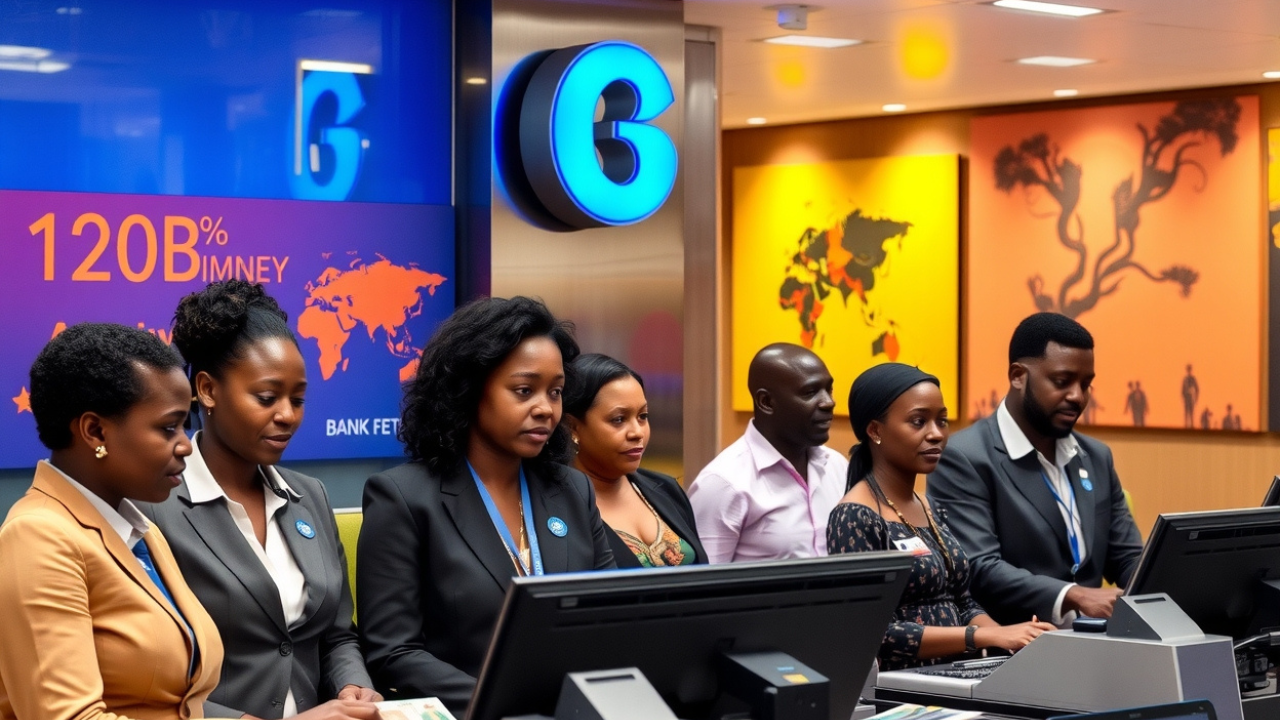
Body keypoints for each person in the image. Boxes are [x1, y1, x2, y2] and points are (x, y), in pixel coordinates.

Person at [358, 296, 615, 714]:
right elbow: (394, 654)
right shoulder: (403, 497)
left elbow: (610, 616)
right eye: (524, 390)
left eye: (556, 392)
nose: (545, 409)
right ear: (469, 390)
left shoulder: (573, 489)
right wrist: (506, 704)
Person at [140, 280, 380, 719]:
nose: (288, 415)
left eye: (298, 399)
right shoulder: (152, 507)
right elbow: (145, 679)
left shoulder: (310, 495)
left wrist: (353, 685)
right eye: (267, 398)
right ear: (208, 390)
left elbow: (336, 634)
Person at [0, 323, 224, 720]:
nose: (187, 444)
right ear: (95, 431)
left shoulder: (139, 530)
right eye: (168, 427)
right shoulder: (37, 537)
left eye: (186, 424)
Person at [829, 363, 1055, 670]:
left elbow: (961, 601)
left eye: (942, 420)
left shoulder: (929, 506)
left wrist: (1011, 636)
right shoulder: (855, 517)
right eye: (918, 422)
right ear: (875, 430)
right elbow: (872, 635)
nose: (936, 434)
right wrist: (982, 637)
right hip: (902, 688)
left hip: (956, 674)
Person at [927, 313, 1143, 625]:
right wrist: (1073, 595)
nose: (1078, 397)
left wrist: (1159, 583)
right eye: (1062, 382)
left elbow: (1127, 557)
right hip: (1011, 645)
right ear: (1018, 375)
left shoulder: (1096, 456)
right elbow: (979, 567)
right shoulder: (964, 457)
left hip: (1095, 644)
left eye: (1086, 385)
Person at [688, 343, 845, 563]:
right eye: (810, 392)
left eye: (828, 389)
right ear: (767, 402)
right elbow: (702, 586)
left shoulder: (837, 466)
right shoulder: (722, 483)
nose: (829, 402)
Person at [562, 353, 706, 567]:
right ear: (573, 427)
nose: (637, 432)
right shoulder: (558, 507)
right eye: (618, 420)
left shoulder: (665, 488)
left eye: (643, 416)